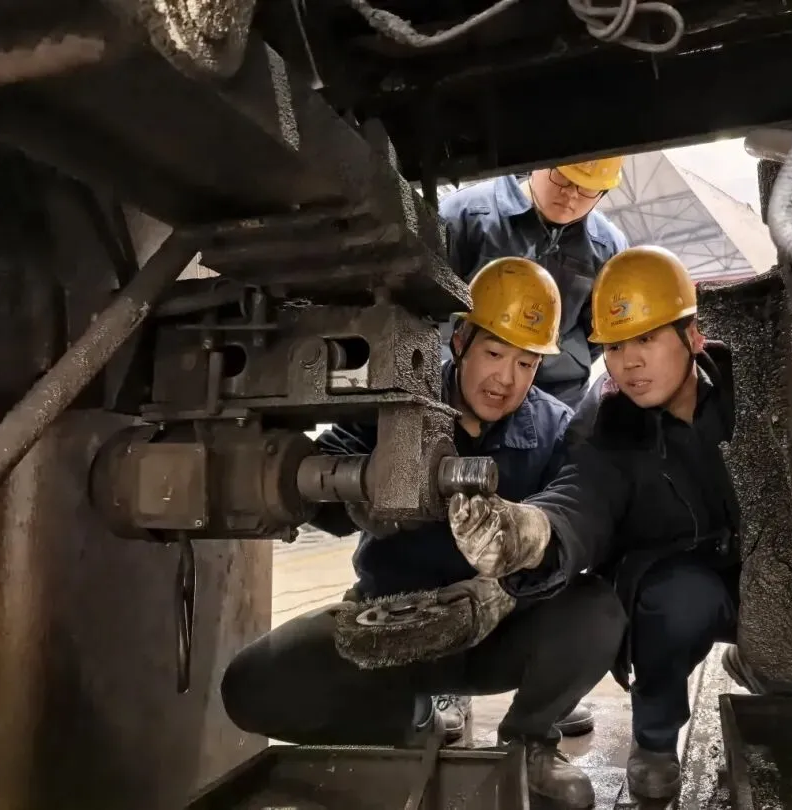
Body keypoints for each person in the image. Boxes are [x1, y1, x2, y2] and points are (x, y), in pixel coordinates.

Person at [221, 257, 626, 810]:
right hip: (389, 627)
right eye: (494, 353)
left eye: (527, 363)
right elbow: (327, 477)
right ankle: (403, 727)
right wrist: (360, 493)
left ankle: (529, 742)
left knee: (600, 610)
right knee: (250, 687)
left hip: (498, 631)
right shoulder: (395, 398)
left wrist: (507, 582)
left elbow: (579, 526)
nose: (506, 379)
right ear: (460, 340)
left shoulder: (555, 430)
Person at [446, 246, 742, 800]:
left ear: (692, 335)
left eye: (646, 339)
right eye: (616, 346)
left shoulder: (752, 389)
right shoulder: (606, 421)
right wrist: (532, 532)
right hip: (679, 582)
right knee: (675, 600)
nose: (629, 362)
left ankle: (766, 664)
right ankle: (655, 743)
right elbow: (582, 495)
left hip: (771, 572)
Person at [439, 158, 629, 409]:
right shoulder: (465, 216)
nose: (571, 194)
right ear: (537, 163)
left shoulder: (608, 250)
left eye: (587, 188)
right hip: (460, 383)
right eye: (563, 178)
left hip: (557, 393)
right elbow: (425, 305)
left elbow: (601, 332)